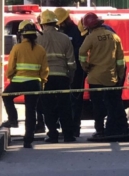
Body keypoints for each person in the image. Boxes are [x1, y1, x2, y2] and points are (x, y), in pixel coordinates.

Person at [79, 12, 129, 137]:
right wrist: (119, 76)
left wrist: (86, 67)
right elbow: (120, 60)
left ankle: (100, 130)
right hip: (111, 77)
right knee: (114, 104)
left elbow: (82, 52)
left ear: (89, 27)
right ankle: (120, 127)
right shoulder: (114, 37)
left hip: (95, 77)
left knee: (97, 106)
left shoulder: (91, 37)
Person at [1, 20, 49, 148]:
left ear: (22, 34)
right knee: (31, 110)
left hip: (18, 82)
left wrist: (10, 77)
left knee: (6, 96)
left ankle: (13, 120)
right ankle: (28, 140)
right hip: (34, 84)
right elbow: (44, 70)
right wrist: (42, 82)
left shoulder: (17, 48)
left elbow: (11, 68)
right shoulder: (41, 49)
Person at [37, 10, 77, 143]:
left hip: (46, 78)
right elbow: (71, 62)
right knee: (65, 107)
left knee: (48, 107)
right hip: (62, 77)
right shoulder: (65, 38)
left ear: (42, 24)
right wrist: (70, 77)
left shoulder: (38, 38)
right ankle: (68, 135)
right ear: (56, 23)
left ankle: (53, 135)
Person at [54, 7, 85, 137]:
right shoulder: (61, 33)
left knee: (75, 101)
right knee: (64, 101)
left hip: (76, 71)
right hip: (64, 72)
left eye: (60, 23)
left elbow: (79, 52)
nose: (59, 26)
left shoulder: (76, 32)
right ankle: (67, 127)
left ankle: (75, 128)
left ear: (66, 20)